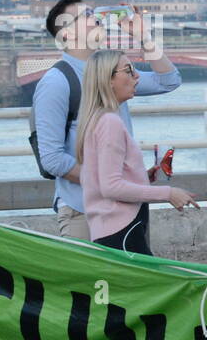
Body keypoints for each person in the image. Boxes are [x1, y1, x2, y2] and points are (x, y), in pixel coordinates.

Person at [34, 0, 181, 240]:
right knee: (86, 278)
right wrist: (108, 183)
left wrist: (143, 37)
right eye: (87, 15)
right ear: (66, 34)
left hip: (127, 207)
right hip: (83, 210)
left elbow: (168, 81)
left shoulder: (111, 72)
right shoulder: (57, 82)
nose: (97, 18)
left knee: (130, 279)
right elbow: (52, 159)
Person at [77, 51, 197, 254]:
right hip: (121, 229)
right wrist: (168, 193)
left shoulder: (96, 119)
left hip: (111, 228)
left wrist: (141, 176)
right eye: (129, 70)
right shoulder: (110, 122)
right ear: (109, 79)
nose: (137, 76)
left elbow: (101, 178)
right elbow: (110, 187)